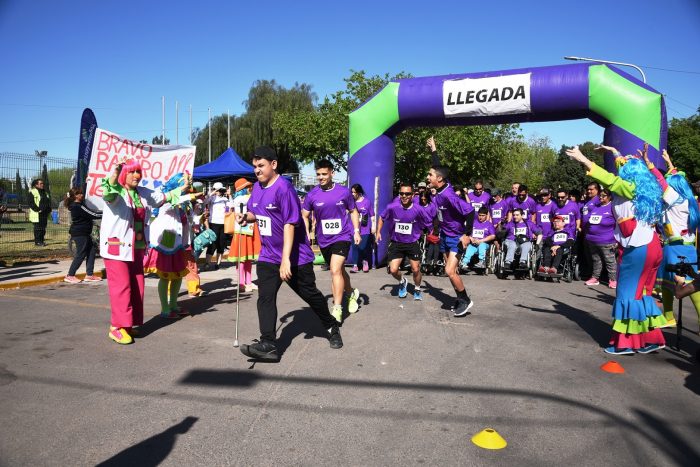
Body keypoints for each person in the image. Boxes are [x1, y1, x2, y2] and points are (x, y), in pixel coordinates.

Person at [237, 146, 343, 362]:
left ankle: (331, 326)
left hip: (295, 257)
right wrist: (245, 217)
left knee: (310, 295)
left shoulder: (284, 188)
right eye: (255, 166)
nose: (257, 170)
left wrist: (286, 260)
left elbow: (290, 224)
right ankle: (268, 343)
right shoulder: (256, 188)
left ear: (273, 165)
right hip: (268, 255)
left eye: (261, 166)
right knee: (265, 297)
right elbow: (256, 213)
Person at [566, 144, 666, 355]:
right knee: (643, 293)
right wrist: (615, 153)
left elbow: (609, 179)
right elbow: (623, 170)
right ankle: (650, 339)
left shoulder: (628, 188)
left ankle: (626, 343)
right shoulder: (645, 188)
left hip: (639, 248)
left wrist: (583, 159)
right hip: (652, 246)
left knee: (627, 294)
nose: (620, 169)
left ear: (629, 174)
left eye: (624, 167)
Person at [101, 158, 187, 345]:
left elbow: (163, 197)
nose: (137, 176)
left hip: (137, 248)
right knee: (121, 287)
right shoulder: (116, 192)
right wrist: (115, 172)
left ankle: (129, 324)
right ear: (124, 174)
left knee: (137, 286)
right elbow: (107, 191)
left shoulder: (142, 192)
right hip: (117, 249)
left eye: (138, 172)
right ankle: (117, 327)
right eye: (132, 172)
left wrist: (183, 187)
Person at [302, 160, 361, 322]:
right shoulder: (312, 195)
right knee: (340, 271)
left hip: (342, 236)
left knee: (334, 270)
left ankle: (337, 308)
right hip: (324, 240)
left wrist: (356, 231)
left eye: (324, 174)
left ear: (332, 173)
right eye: (318, 174)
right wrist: (307, 232)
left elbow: (353, 211)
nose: (321, 177)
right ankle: (351, 293)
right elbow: (304, 215)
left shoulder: (344, 192)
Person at [647, 149, 700, 327]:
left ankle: (671, 317)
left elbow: (662, 182)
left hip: (677, 248)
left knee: (691, 288)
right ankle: (668, 317)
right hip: (680, 247)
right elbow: (675, 180)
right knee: (668, 285)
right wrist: (669, 163)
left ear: (675, 188)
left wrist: (650, 165)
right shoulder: (687, 200)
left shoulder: (676, 199)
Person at [144, 173, 200, 319]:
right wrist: (189, 195)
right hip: (166, 243)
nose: (188, 186)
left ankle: (174, 305)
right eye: (185, 183)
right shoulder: (165, 199)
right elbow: (173, 200)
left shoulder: (182, 203)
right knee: (166, 276)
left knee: (177, 276)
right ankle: (165, 308)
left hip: (179, 243)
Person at [427, 152, 475, 316]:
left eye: (430, 175)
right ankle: (460, 298)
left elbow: (470, 211)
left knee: (449, 271)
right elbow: (439, 169)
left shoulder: (449, 196)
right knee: (451, 272)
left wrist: (467, 234)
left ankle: (465, 300)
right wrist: (433, 151)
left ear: (438, 179)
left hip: (456, 237)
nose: (428, 177)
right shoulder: (442, 186)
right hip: (445, 236)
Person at [377, 183, 432, 300]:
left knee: (416, 269)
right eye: (402, 193)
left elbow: (429, 223)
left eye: (407, 194)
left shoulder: (419, 209)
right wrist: (378, 232)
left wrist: (431, 233)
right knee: (393, 270)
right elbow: (381, 217)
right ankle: (402, 282)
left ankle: (417, 288)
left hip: (412, 243)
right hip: (397, 242)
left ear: (412, 195)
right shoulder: (392, 207)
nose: (404, 196)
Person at [227, 178, 262, 292]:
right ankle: (242, 283)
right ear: (242, 189)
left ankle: (248, 281)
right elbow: (256, 198)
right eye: (248, 187)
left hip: (249, 230)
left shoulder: (246, 198)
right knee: (242, 259)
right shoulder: (240, 198)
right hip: (242, 231)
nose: (250, 188)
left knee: (248, 259)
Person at [63, 187, 102, 283]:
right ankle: (70, 275)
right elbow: (92, 214)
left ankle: (89, 275)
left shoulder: (79, 205)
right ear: (75, 196)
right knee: (81, 254)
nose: (82, 195)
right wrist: (106, 214)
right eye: (79, 194)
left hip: (83, 233)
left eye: (81, 193)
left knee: (91, 252)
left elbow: (91, 212)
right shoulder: (78, 206)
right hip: (80, 233)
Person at [583, 188, 617, 288]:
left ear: (610, 197)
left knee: (610, 261)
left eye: (604, 196)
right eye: (600, 196)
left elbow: (618, 223)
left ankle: (613, 279)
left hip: (607, 240)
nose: (601, 197)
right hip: (592, 240)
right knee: (596, 260)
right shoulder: (595, 207)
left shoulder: (613, 207)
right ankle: (595, 278)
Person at [204, 182, 232, 270]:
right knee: (212, 244)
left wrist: (229, 195)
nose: (220, 191)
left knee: (221, 243)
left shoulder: (225, 199)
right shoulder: (212, 198)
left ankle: (218, 263)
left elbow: (231, 205)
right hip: (214, 223)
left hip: (224, 223)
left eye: (220, 190)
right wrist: (213, 192)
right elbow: (205, 201)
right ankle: (207, 263)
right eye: (218, 190)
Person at [350, 183, 375, 273]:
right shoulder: (350, 202)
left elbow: (372, 215)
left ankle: (365, 263)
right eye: (351, 192)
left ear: (359, 192)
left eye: (354, 192)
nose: (352, 194)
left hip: (364, 228)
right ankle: (355, 265)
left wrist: (373, 227)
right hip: (353, 228)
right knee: (355, 247)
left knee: (363, 246)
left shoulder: (367, 202)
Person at [29, 178, 51, 246]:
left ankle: (41, 241)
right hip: (37, 214)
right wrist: (38, 210)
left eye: (43, 183)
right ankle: (37, 242)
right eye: (41, 183)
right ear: (36, 185)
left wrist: (49, 209)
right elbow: (31, 203)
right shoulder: (32, 192)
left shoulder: (45, 192)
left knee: (43, 229)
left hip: (44, 214)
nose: (42, 185)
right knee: (38, 229)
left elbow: (48, 202)